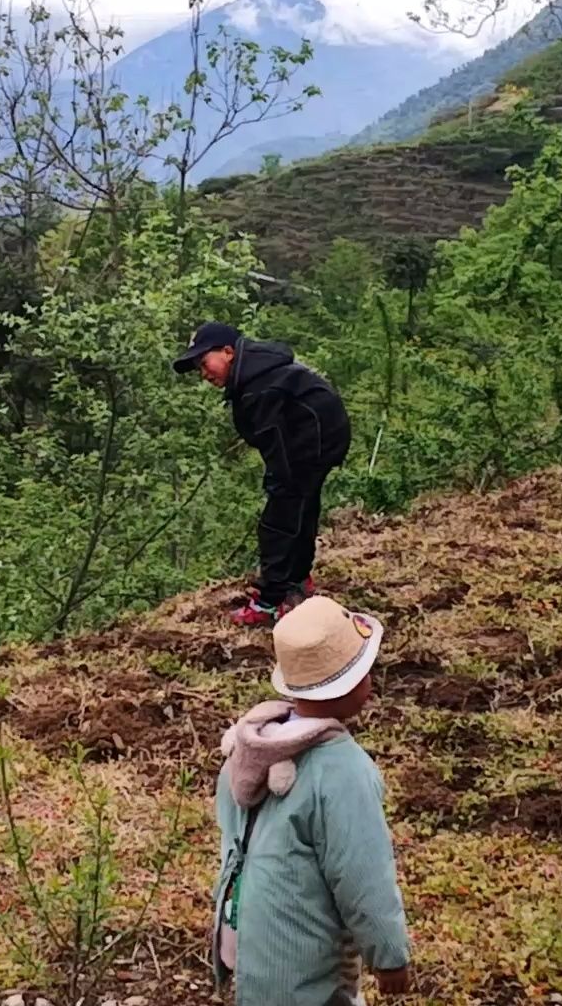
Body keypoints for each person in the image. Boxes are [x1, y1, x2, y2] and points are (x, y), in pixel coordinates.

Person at [211, 596, 412, 1005]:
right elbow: (361, 875)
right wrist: (389, 956)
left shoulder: (249, 745)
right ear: (355, 683)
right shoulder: (342, 771)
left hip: (248, 945)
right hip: (303, 965)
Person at [174, 322, 351, 626]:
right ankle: (297, 580)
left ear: (228, 352)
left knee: (278, 521)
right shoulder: (256, 371)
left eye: (204, 363)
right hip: (324, 437)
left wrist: (280, 482)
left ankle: (270, 601)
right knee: (301, 508)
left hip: (314, 441)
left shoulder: (258, 388)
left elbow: (277, 445)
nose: (203, 374)